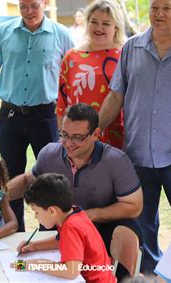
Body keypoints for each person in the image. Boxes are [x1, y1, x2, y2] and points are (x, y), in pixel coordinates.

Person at [99, 0, 171, 273]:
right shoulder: (132, 48)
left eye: (167, 8)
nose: (158, 14)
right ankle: (147, 275)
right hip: (137, 155)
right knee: (142, 225)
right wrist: (95, 128)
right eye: (154, 8)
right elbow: (116, 95)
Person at [0, 0, 73, 232]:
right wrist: (8, 91)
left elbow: (70, 76)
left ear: (44, 3)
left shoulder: (62, 35)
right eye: (23, 6)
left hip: (46, 115)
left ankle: (51, 232)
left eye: (34, 5)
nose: (29, 12)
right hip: (10, 115)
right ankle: (16, 229)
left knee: (48, 175)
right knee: (10, 175)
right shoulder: (4, 32)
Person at [8, 103, 142, 252]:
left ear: (96, 134)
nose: (69, 143)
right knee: (21, 266)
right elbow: (29, 180)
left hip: (102, 239)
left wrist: (89, 215)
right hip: (58, 237)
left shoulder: (116, 161)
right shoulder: (49, 154)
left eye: (77, 137)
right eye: (64, 135)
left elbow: (134, 206)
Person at [17, 173, 116, 283]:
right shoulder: (74, 214)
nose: (36, 217)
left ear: (52, 211)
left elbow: (71, 271)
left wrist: (36, 264)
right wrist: (34, 246)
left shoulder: (71, 227)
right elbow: (63, 241)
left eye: (37, 212)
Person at [57, 0, 125, 148]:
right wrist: (63, 137)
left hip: (117, 136)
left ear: (116, 28)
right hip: (77, 138)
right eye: (94, 22)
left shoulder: (126, 55)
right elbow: (62, 102)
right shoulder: (71, 56)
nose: (98, 28)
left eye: (106, 23)